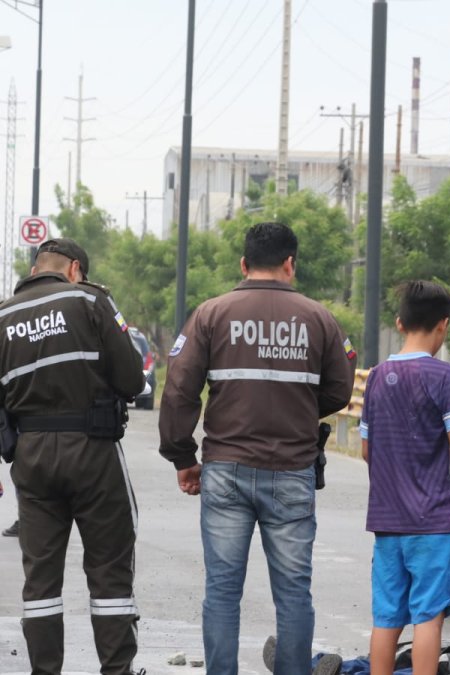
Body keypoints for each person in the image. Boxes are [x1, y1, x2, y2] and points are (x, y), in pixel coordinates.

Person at [159, 222, 356, 674]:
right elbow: (340, 390)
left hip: (225, 469)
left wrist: (183, 457)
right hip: (292, 470)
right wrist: (298, 408)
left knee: (222, 591)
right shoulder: (319, 318)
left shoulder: (211, 314)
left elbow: (179, 389)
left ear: (243, 264)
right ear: (290, 264)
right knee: (293, 593)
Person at [0, 238, 145, 675]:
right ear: (75, 270)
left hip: (30, 457)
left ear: (35, 269)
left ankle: (44, 670)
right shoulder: (91, 301)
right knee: (110, 568)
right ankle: (116, 669)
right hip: (93, 451)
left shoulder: (3, 316)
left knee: (40, 577)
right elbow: (132, 379)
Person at [359, 281, 450, 675]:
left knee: (386, 616)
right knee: (428, 616)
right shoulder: (445, 376)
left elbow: (367, 450)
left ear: (399, 323)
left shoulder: (376, 376)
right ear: (444, 324)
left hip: (387, 521)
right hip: (432, 521)